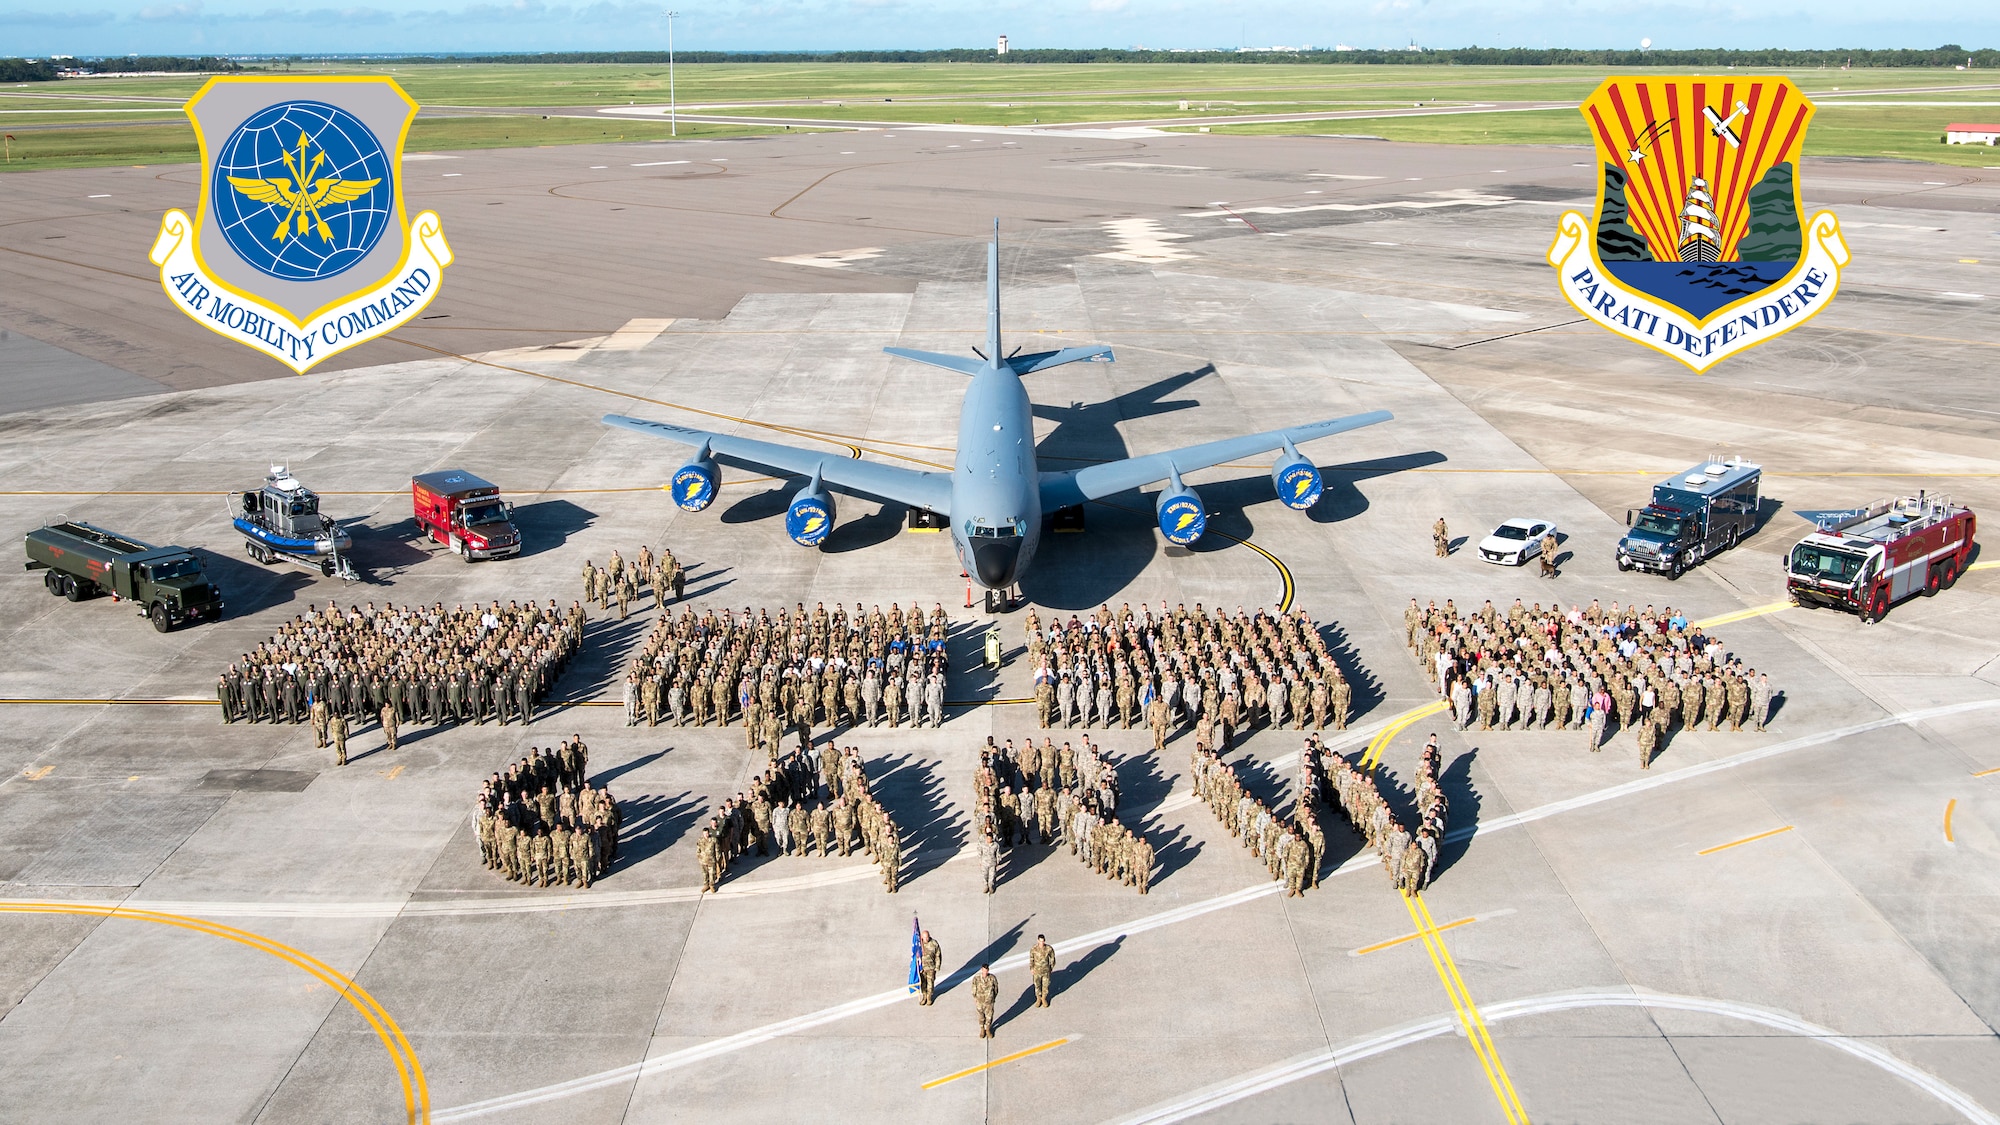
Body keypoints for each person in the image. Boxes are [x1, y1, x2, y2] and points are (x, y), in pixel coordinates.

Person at [972, 964, 999, 1038]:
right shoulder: (976, 979)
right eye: (984, 970)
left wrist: (992, 998)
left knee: (989, 1016)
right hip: (980, 1001)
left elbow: (996, 989)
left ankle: (988, 1029)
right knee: (981, 1016)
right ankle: (982, 1029)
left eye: (986, 970)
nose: (985, 972)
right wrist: (975, 998)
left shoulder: (992, 978)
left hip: (989, 1002)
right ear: (982, 970)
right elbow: (973, 989)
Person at [1029, 935, 1056, 1008]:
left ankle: (1043, 998)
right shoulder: (1034, 949)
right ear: (1038, 941)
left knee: (1045, 985)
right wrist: (1031, 968)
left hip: (1045, 971)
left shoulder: (1048, 949)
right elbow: (1031, 959)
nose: (1042, 942)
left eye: (1043, 941)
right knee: (1037, 986)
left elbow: (1052, 958)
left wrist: (1051, 968)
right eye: (1040, 941)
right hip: (1036, 971)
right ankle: (1038, 998)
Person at [918, 930, 942, 1006]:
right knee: (923, 984)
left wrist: (937, 967)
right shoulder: (919, 945)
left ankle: (929, 998)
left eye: (927, 937)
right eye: (925, 937)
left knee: (930, 983)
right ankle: (924, 997)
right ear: (922, 937)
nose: (926, 939)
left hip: (931, 968)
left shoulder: (934, 943)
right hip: (922, 968)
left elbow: (938, 955)